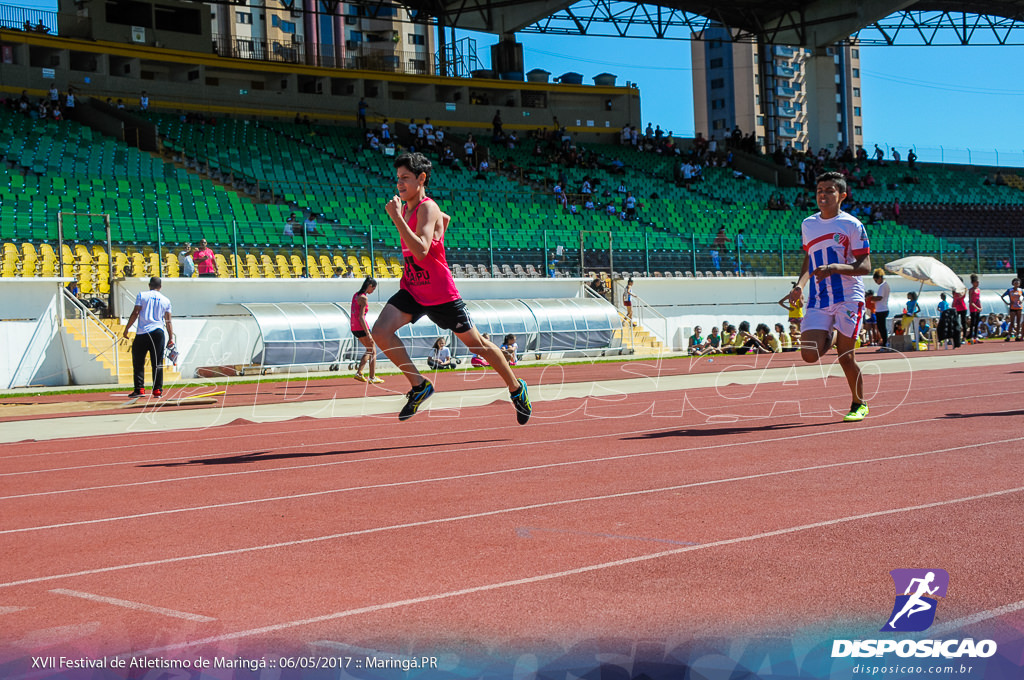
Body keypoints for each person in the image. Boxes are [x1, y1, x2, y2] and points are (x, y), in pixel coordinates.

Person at [371, 152, 531, 423]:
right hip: (413, 288)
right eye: (398, 178)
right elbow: (444, 221)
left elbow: (421, 251)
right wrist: (433, 231)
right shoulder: (412, 208)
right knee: (380, 331)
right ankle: (420, 386)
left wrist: (397, 218)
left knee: (477, 345)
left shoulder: (425, 207)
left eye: (406, 178)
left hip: (440, 293)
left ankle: (516, 388)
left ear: (421, 179)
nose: (399, 184)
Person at [786, 171, 872, 422]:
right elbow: (808, 258)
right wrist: (800, 285)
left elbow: (865, 265)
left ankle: (859, 403)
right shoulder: (808, 224)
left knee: (846, 356)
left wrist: (835, 268)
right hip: (819, 297)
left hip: (848, 295)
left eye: (829, 191)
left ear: (842, 195)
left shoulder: (852, 225)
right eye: (819, 190)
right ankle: (833, 335)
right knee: (809, 355)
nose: (823, 195)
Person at [122, 277, 174, 398]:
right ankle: (157, 390)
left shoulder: (142, 295)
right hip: (158, 332)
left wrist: (127, 328)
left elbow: (135, 312)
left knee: (138, 362)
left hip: (142, 332)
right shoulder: (166, 300)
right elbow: (168, 321)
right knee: (157, 362)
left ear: (149, 285)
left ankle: (139, 389)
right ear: (160, 287)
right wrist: (171, 337)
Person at [350, 276, 383, 384]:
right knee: (372, 350)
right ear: (369, 286)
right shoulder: (364, 298)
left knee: (369, 350)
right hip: (361, 326)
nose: (373, 291)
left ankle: (359, 373)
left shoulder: (356, 295)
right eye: (373, 288)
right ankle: (371, 376)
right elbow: (361, 317)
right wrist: (368, 333)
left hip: (354, 326)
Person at [870, 269, 891, 350]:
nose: (876, 282)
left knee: (882, 328)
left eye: (876, 280)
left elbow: (879, 298)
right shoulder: (885, 285)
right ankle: (885, 343)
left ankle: (885, 344)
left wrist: (871, 298)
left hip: (881, 310)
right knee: (881, 327)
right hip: (882, 309)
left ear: (880, 278)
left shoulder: (883, 286)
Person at [968, 274, 983, 343]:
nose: (978, 283)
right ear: (973, 283)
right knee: (972, 323)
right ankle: (971, 337)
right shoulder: (971, 290)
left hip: (977, 307)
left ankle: (976, 337)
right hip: (973, 308)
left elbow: (978, 299)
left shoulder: (978, 290)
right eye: (976, 282)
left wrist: (980, 307)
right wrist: (977, 308)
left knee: (977, 323)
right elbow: (971, 301)